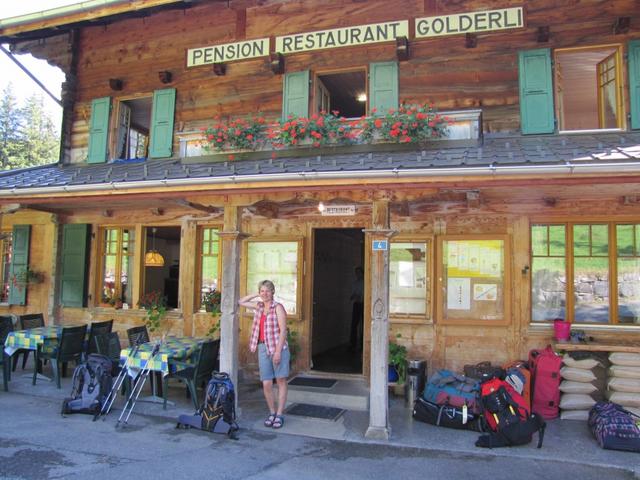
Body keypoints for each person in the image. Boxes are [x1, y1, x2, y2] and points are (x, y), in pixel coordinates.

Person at [238, 279, 289, 429]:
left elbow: (283, 331)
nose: (264, 294)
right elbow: (241, 301)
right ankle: (272, 412)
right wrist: (257, 293)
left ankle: (279, 414)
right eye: (262, 291)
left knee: (280, 381)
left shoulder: (278, 308)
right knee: (266, 382)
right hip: (262, 348)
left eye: (267, 291)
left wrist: (278, 352)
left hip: (278, 348)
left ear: (273, 292)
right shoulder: (259, 306)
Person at [349, 266, 364, 352]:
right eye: (356, 273)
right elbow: (352, 294)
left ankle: (363, 344)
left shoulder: (365, 283)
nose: (357, 274)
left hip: (363, 304)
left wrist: (360, 297)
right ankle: (352, 343)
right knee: (354, 324)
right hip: (357, 304)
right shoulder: (355, 283)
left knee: (364, 325)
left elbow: (364, 294)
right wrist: (353, 296)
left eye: (359, 272)